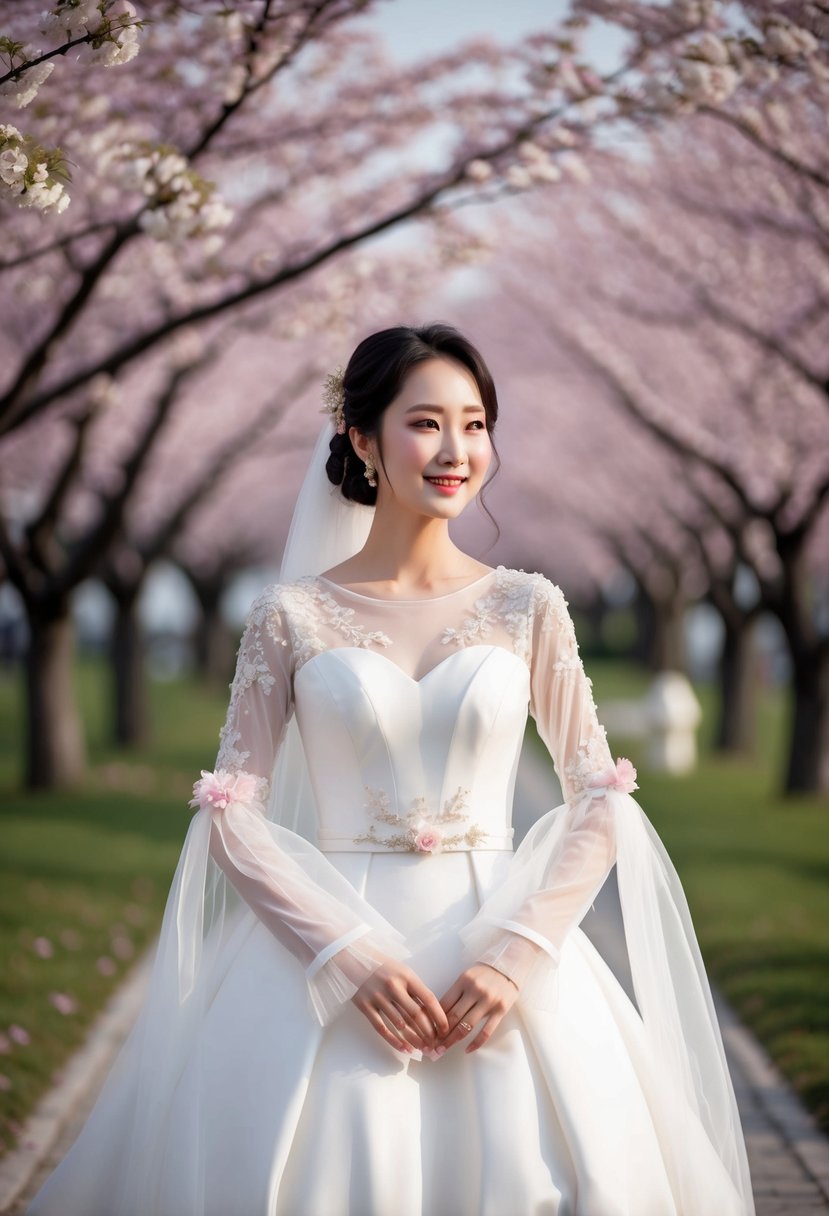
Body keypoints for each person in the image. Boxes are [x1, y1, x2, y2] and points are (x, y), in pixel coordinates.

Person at [27, 323, 755, 1215]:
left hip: (497, 955)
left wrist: (519, 953)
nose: (457, 450)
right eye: (426, 423)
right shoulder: (289, 614)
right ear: (363, 440)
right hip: (329, 950)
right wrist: (339, 953)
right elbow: (230, 812)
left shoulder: (529, 605)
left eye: (475, 423)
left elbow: (599, 799)